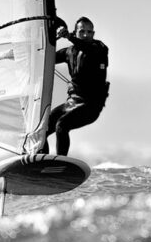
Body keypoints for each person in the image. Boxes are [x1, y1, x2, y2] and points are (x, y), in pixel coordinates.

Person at [39, 16, 109, 156]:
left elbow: (87, 49)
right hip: (72, 103)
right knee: (41, 130)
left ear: (93, 34)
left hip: (90, 106)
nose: (86, 35)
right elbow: (45, 57)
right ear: (76, 32)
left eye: (89, 32)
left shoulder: (99, 48)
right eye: (82, 31)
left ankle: (61, 163)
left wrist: (68, 36)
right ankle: (41, 162)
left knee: (62, 125)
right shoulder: (69, 52)